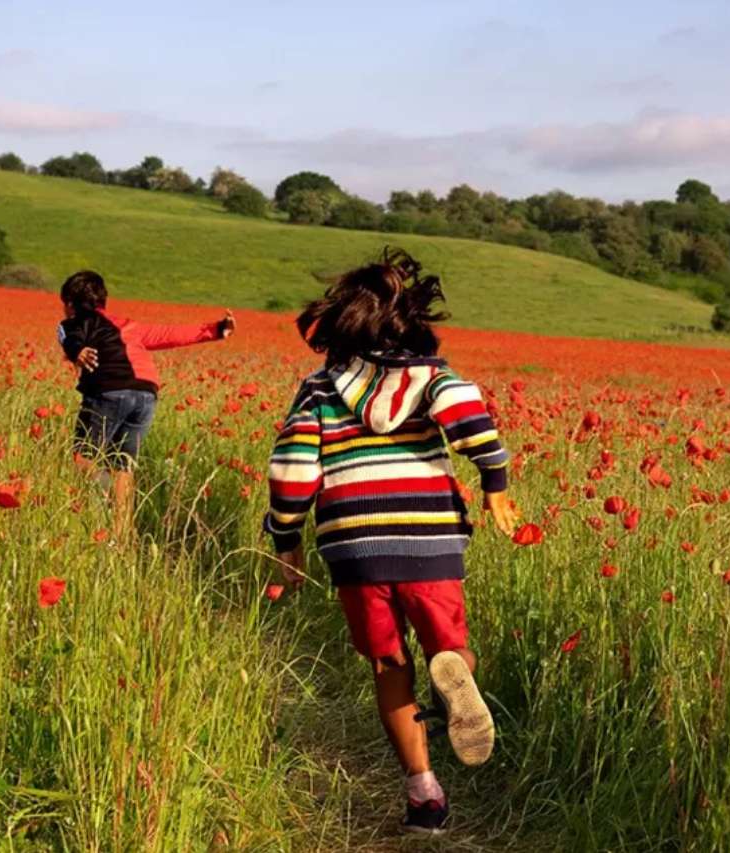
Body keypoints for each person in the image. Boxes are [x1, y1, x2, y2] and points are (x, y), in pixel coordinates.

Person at [263, 247, 517, 835]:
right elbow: (468, 415)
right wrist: (495, 483)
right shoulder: (432, 378)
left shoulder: (320, 388)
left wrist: (285, 537)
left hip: (354, 545)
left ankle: (424, 793)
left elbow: (293, 465)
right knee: (447, 646)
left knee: (387, 663)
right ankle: (453, 673)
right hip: (429, 539)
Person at [57, 270, 235, 540]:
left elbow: (70, 337)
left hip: (110, 390)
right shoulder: (129, 325)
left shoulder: (73, 322)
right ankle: (122, 534)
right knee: (124, 465)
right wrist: (216, 329)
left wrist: (77, 352)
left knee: (83, 458)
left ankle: (102, 508)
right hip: (146, 394)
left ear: (70, 302)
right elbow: (170, 334)